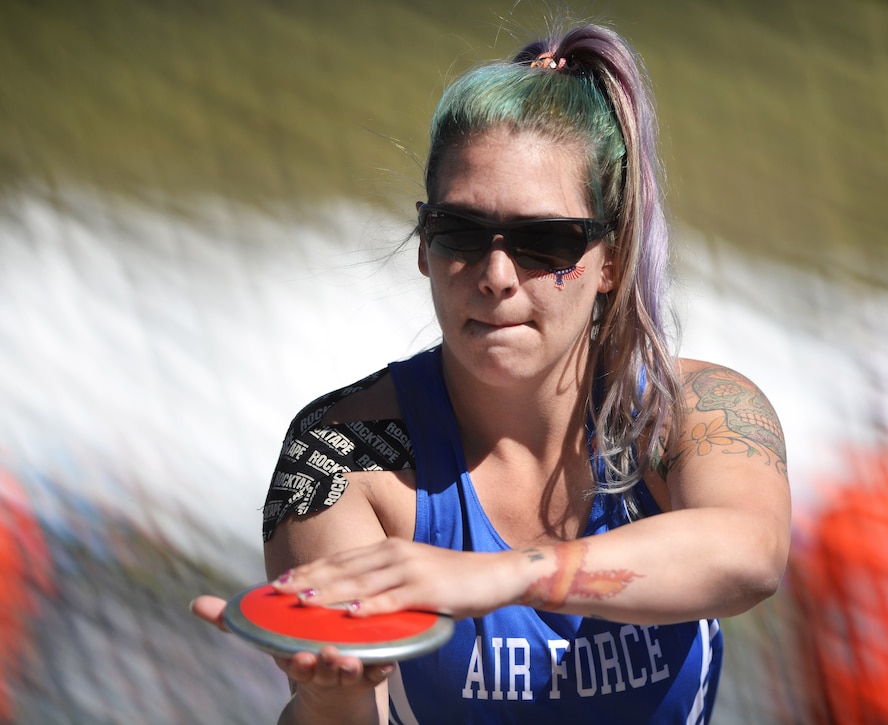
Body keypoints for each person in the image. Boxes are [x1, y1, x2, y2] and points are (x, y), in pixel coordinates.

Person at [192, 21, 790, 724]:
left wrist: (500, 576)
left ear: (612, 258)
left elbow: (752, 554)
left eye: (545, 241)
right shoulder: (343, 455)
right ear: (424, 244)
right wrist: (334, 697)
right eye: (462, 233)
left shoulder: (689, 408)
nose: (496, 275)